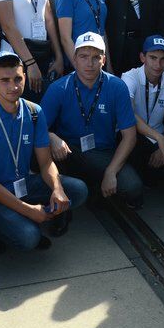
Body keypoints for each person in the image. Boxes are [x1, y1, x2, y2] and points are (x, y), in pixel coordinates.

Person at [0, 51, 88, 250]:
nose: (13, 86)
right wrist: (29, 211)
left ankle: (25, 216)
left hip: (21, 183)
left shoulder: (34, 112)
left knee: (78, 190)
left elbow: (46, 162)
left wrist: (57, 188)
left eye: (18, 79)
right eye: (4, 80)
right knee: (28, 237)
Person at [42, 33, 142, 208]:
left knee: (133, 188)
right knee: (41, 151)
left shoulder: (117, 87)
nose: (90, 63)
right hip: (69, 153)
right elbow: (37, 126)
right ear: (74, 58)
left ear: (103, 60)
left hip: (102, 153)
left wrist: (111, 172)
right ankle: (72, 189)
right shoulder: (59, 88)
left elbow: (130, 136)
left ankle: (94, 186)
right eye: (83, 57)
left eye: (96, 57)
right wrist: (51, 137)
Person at [121, 36, 164, 182]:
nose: (158, 64)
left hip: (160, 136)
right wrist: (160, 139)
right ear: (142, 57)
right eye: (153, 58)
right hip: (135, 135)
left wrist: (162, 146)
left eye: (163, 59)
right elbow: (129, 115)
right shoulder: (129, 77)